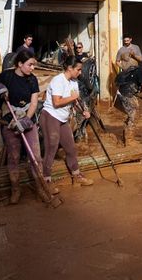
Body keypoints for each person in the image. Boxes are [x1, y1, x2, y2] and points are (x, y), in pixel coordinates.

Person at [0, 51, 45, 205]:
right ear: (20, 64)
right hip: (10, 120)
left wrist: (27, 121)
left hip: (27, 120)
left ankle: (41, 186)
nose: (33, 68)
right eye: (30, 64)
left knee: (35, 156)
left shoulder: (32, 80)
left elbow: (34, 103)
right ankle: (16, 189)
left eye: (34, 64)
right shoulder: (6, 76)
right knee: (13, 157)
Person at [40, 56, 94, 189]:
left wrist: (83, 111)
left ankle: (76, 175)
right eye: (78, 69)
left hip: (62, 119)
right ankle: (46, 181)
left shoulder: (73, 82)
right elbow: (56, 102)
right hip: (50, 116)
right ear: (70, 68)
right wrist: (73, 97)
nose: (80, 72)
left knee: (70, 147)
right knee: (52, 147)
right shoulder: (58, 80)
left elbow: (74, 102)